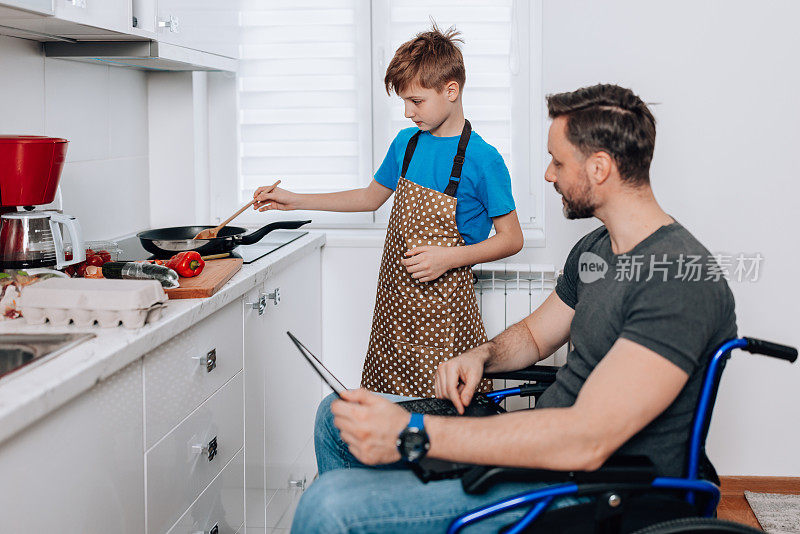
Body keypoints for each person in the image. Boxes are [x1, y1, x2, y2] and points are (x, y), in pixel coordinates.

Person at [290, 83, 738, 533]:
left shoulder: (677, 277)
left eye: (558, 161)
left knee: (328, 506)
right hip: (543, 454)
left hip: (590, 489)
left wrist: (415, 435)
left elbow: (586, 439)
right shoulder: (596, 250)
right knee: (336, 416)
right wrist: (481, 355)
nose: (548, 175)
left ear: (599, 168)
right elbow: (533, 337)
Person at [253, 25, 523, 398]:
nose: (408, 112)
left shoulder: (484, 159)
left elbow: (512, 239)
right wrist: (295, 199)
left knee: (444, 412)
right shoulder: (405, 144)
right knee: (387, 410)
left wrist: (449, 258)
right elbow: (369, 198)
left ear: (451, 90)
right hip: (394, 312)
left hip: (445, 313)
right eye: (404, 102)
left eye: (416, 101)